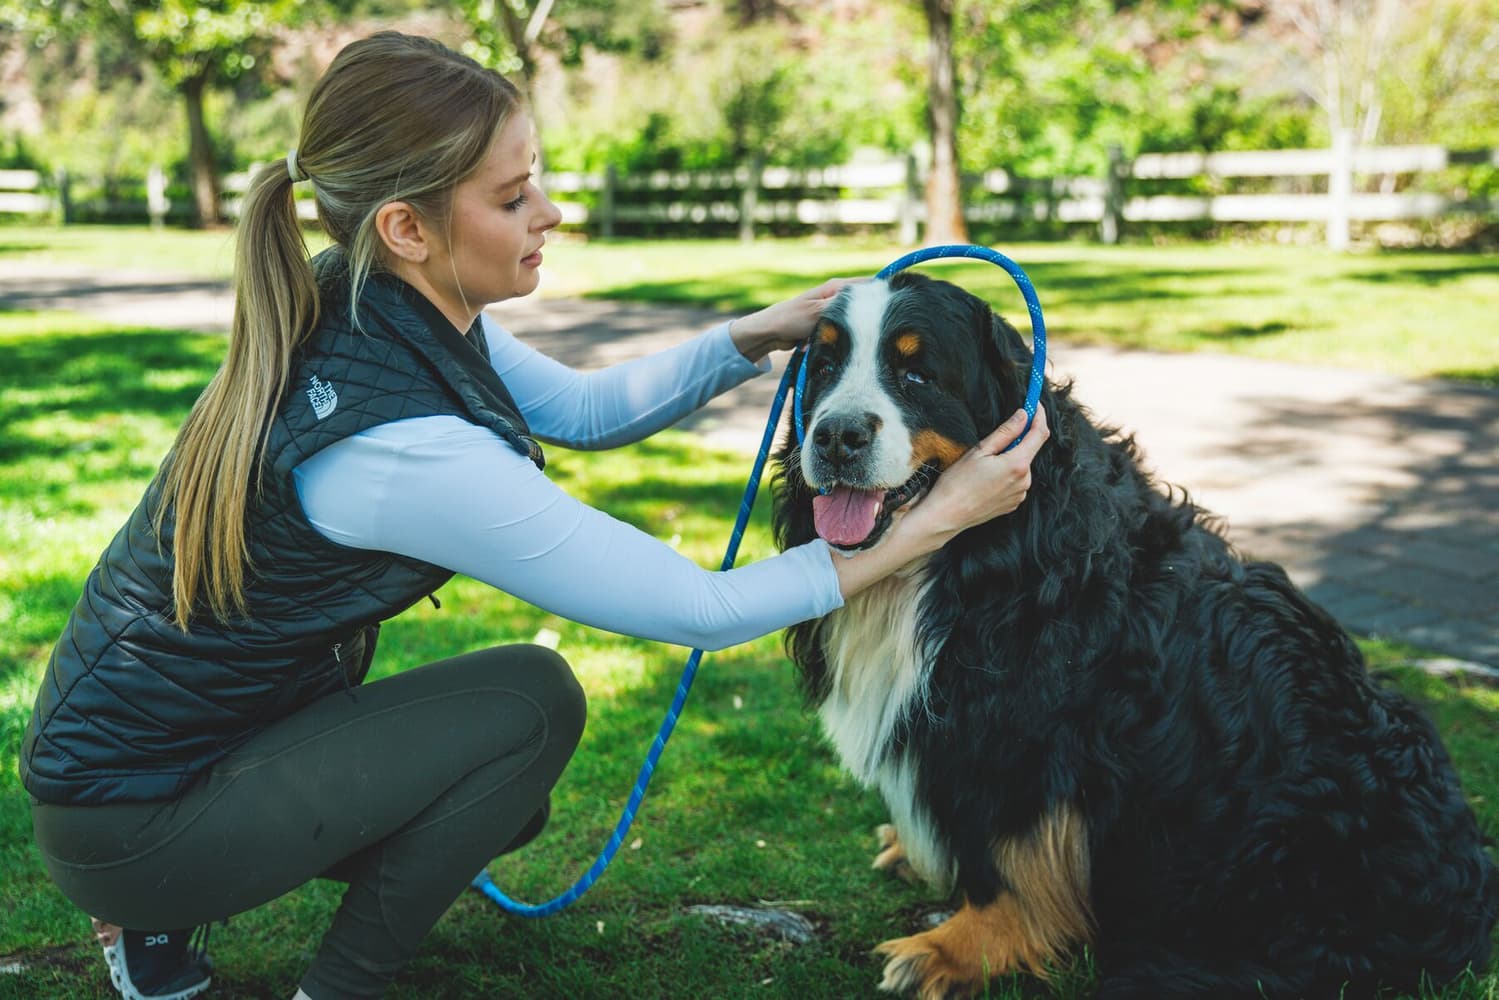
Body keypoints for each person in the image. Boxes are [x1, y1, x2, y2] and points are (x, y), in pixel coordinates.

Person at [19, 30, 1050, 1000]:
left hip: (140, 773)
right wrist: (929, 520)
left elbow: (584, 411)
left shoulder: (385, 301)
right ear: (407, 226)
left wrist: (754, 334)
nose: (547, 213)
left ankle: (159, 902)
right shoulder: (399, 449)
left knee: (508, 796)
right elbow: (699, 606)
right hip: (134, 821)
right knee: (530, 704)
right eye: (513, 198)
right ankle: (299, 970)